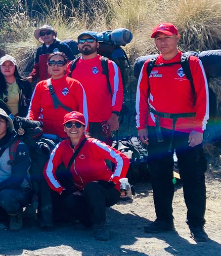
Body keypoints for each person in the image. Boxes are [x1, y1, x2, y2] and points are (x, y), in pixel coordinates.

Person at [136, 23, 210, 242]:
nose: (162, 42)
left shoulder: (191, 63)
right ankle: (164, 220)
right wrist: (141, 126)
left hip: (188, 131)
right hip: (158, 129)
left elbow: (202, 97)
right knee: (159, 176)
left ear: (177, 38)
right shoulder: (149, 65)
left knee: (193, 177)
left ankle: (196, 224)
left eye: (166, 37)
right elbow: (141, 98)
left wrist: (198, 128)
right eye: (158, 39)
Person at [45, 111, 129, 241]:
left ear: (84, 128)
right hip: (84, 190)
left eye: (78, 125)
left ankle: (101, 225)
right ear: (64, 128)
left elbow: (122, 159)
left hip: (107, 189)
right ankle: (90, 222)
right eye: (69, 124)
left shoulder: (93, 144)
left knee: (92, 188)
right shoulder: (61, 147)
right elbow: (48, 171)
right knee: (70, 200)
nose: (73, 128)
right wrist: (61, 190)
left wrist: (113, 181)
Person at [67, 31, 123, 144]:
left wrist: (115, 115)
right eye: (82, 41)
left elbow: (117, 91)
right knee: (78, 156)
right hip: (77, 121)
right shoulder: (71, 66)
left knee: (103, 157)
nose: (86, 43)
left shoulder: (108, 65)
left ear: (97, 45)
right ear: (78, 46)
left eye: (90, 40)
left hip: (102, 121)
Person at [27, 51, 89, 140]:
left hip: (68, 136)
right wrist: (30, 127)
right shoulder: (40, 86)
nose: (55, 66)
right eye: (52, 63)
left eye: (60, 63)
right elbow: (33, 110)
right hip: (45, 135)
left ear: (65, 66)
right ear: (48, 66)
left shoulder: (75, 85)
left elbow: (83, 112)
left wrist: (83, 134)